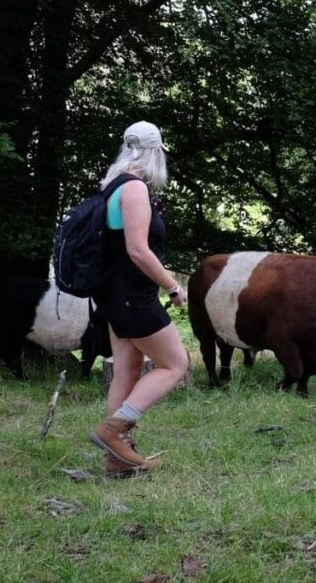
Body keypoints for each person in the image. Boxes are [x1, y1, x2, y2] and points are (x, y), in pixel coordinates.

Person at [89, 121, 189, 478]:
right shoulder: (133, 189)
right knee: (175, 365)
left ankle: (118, 458)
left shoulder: (112, 185)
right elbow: (138, 251)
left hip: (116, 296)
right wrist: (173, 287)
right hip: (134, 296)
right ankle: (114, 430)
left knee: (127, 371)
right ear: (154, 153)